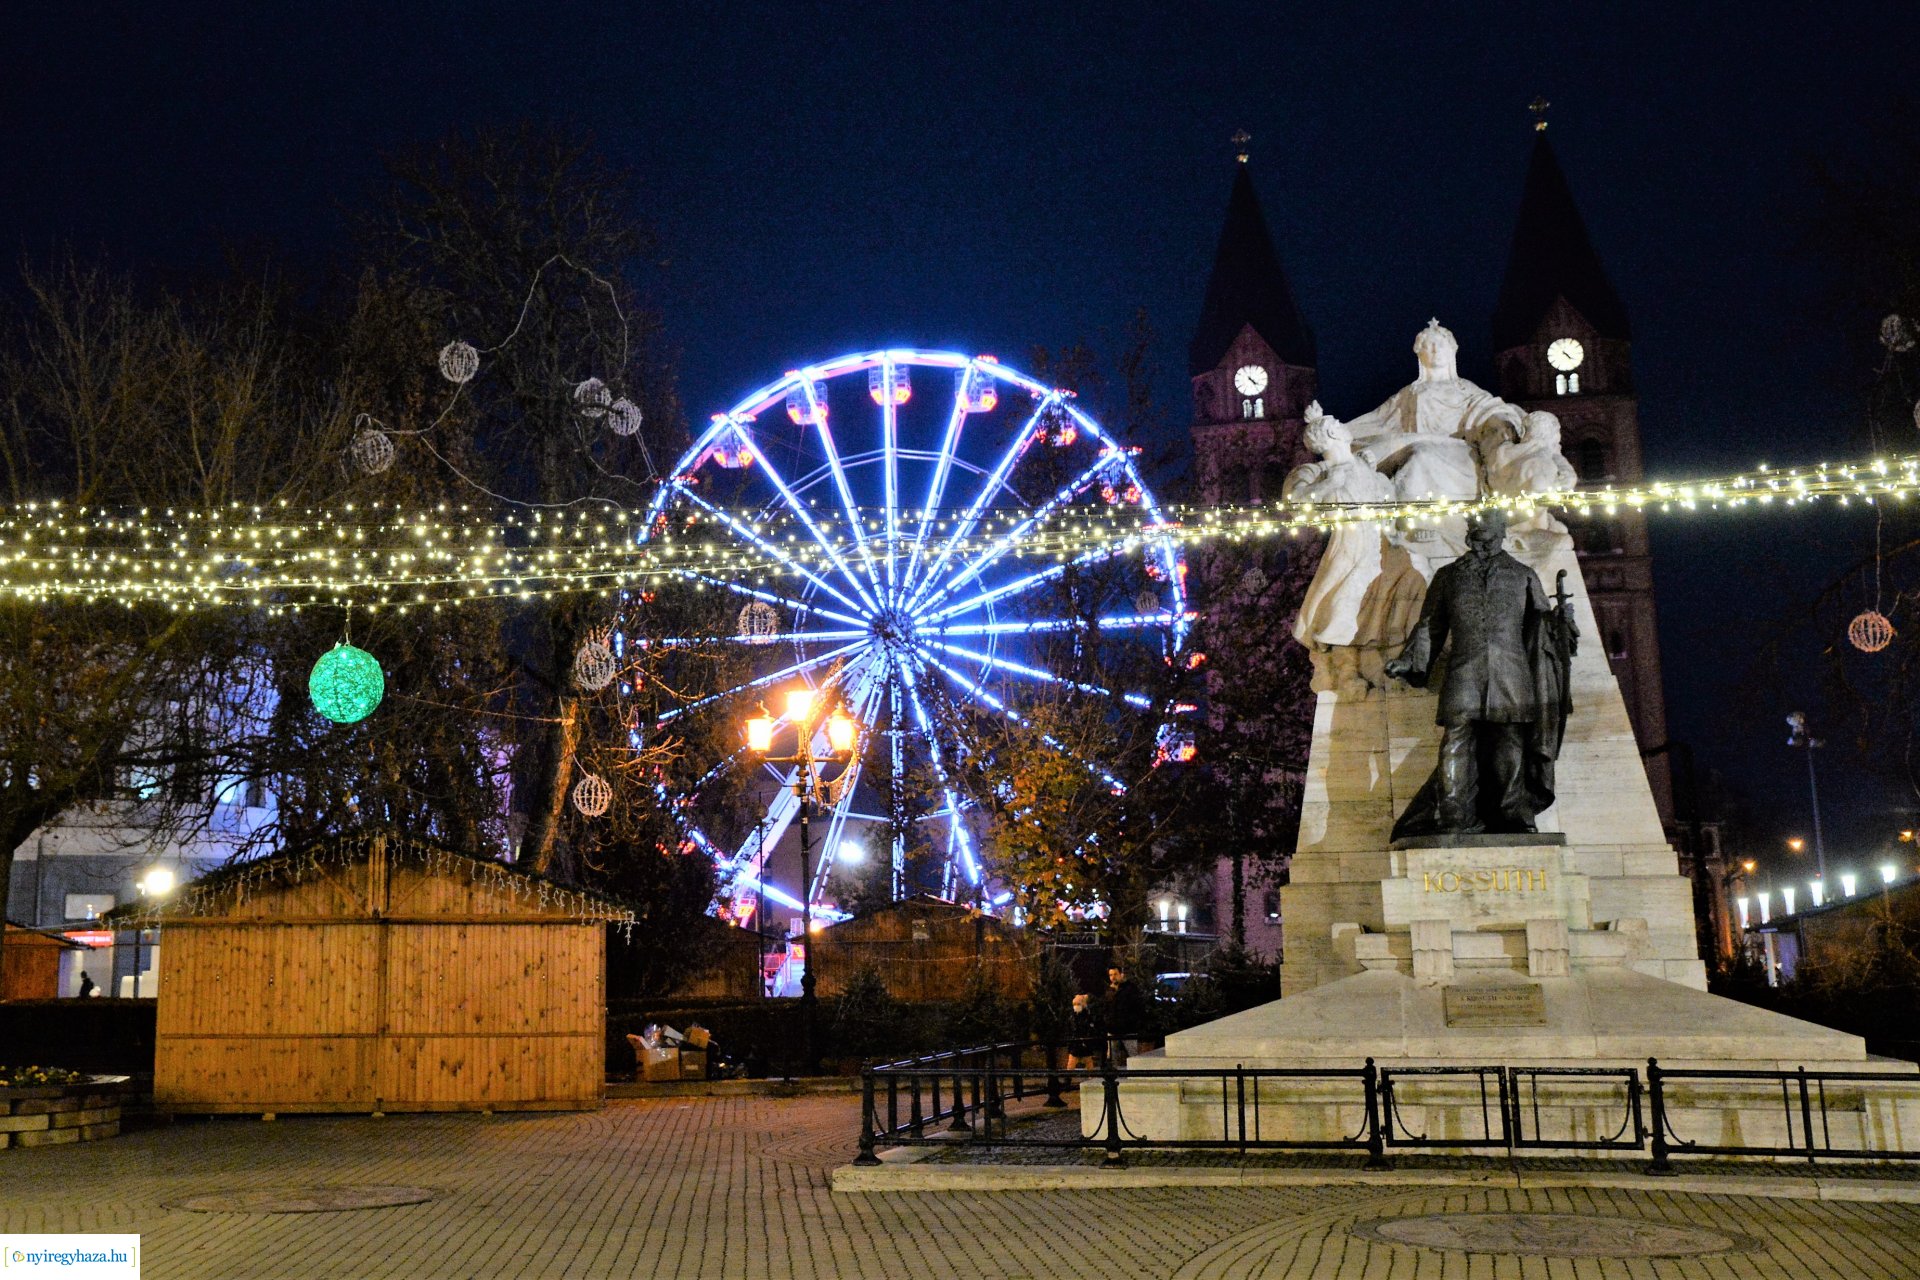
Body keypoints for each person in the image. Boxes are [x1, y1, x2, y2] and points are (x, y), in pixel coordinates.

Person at [1384, 508, 1578, 837]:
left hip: (1511, 674)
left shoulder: (1523, 575)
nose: (1478, 531)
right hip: (1464, 672)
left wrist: (1562, 624)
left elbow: (1541, 628)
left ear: (1501, 530)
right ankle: (1453, 815)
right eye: (1474, 526)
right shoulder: (1448, 576)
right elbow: (1430, 626)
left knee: (1510, 743)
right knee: (1455, 740)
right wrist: (1410, 661)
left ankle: (1512, 814)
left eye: (1485, 526)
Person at [1103, 966, 1147, 1068]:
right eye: (1110, 975)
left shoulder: (1130, 988)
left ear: (1121, 975)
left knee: (1133, 1057)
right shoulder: (1110, 990)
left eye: (1115, 974)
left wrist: (1132, 1021)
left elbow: (1137, 1007)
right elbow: (1106, 1007)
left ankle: (1136, 1074)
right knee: (1113, 1058)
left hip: (1128, 1029)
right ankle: (1115, 1076)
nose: (1113, 977)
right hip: (1113, 1029)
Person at [1065, 993, 1099, 1070]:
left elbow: (1090, 1030)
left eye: (1078, 1004)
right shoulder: (1072, 1017)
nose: (1076, 1006)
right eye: (1074, 1004)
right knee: (1070, 1067)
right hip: (1075, 1046)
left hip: (1084, 1045)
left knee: (1089, 1066)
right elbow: (1069, 1030)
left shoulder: (1087, 1016)